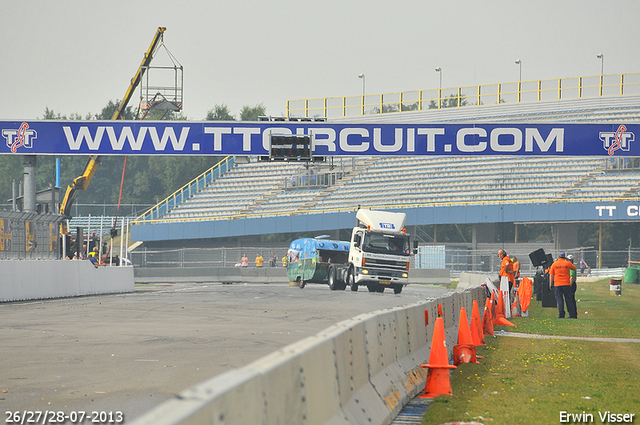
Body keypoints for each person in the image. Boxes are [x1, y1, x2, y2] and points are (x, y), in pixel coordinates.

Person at [549, 252, 577, 319]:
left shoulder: (555, 264)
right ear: (564, 257)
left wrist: (550, 283)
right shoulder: (567, 263)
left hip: (557, 284)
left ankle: (561, 314)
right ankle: (572, 314)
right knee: (569, 299)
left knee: (559, 300)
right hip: (566, 284)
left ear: (558, 257)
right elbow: (573, 267)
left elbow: (551, 275)